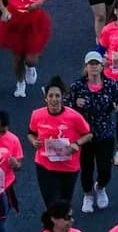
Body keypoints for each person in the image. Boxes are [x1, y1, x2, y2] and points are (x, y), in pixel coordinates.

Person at [66, 52, 118, 214]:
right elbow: (66, 105)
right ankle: (88, 195)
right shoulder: (77, 86)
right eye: (90, 64)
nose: (94, 67)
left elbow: (117, 101)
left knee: (105, 168)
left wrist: (116, 106)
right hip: (84, 135)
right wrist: (75, 103)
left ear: (101, 66)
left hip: (105, 133)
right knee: (87, 167)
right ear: (86, 67)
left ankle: (100, 186)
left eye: (96, 64)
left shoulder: (111, 84)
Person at [29, 78, 92, 206]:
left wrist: (77, 144)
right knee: (50, 202)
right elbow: (31, 133)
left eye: (57, 95)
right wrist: (34, 142)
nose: (54, 99)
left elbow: (88, 134)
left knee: (64, 203)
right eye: (50, 96)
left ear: (62, 97)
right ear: (46, 98)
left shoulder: (73, 116)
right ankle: (51, 225)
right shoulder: (37, 115)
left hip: (68, 167)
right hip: (45, 165)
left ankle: (63, 223)